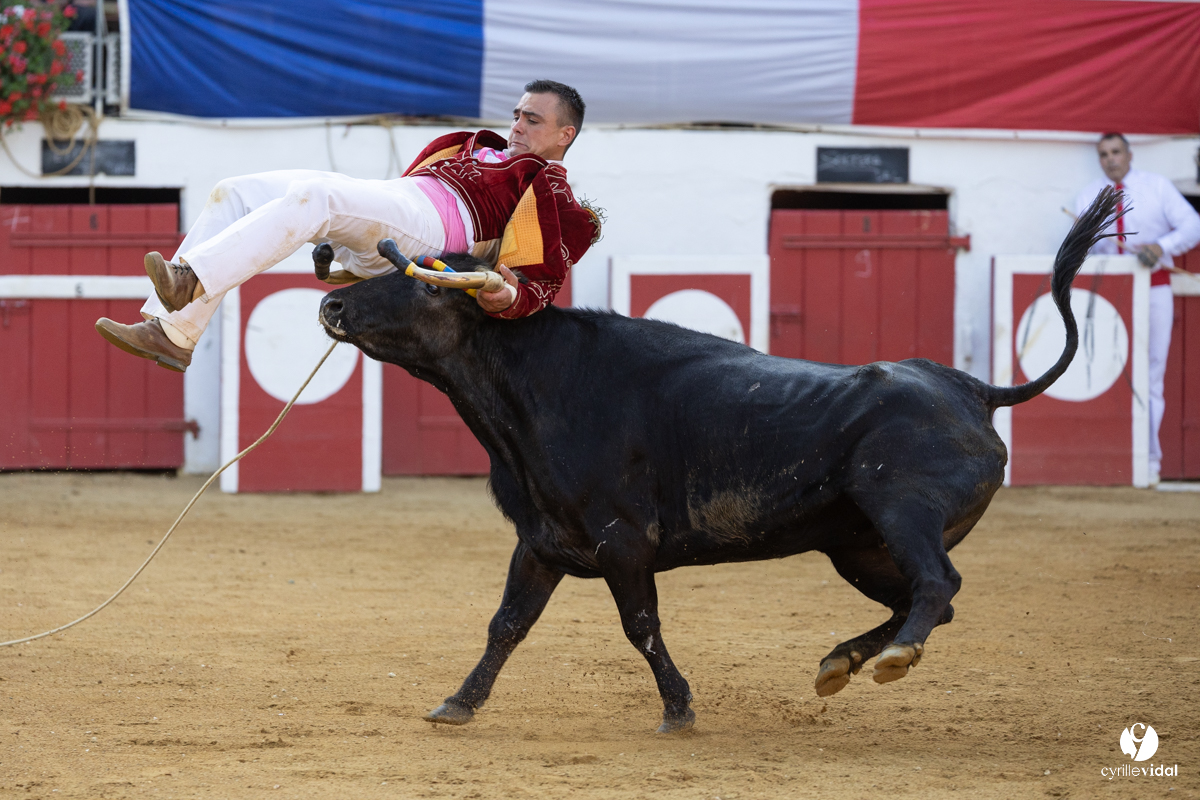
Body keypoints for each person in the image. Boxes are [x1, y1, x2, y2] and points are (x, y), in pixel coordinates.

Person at [95, 79, 601, 372]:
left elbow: (543, 277)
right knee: (235, 190)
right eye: (517, 114)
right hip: (397, 205)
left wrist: (512, 296)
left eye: (532, 120)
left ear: (566, 134)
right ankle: (174, 332)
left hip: (435, 228)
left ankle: (192, 278)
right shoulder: (483, 144)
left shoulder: (551, 187)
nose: (516, 126)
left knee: (315, 197)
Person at [1074, 132, 1200, 484]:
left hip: (1154, 287)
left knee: (1152, 373)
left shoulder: (1157, 187)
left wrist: (1161, 247)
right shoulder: (1088, 195)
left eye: (1116, 152)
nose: (1110, 159)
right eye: (1103, 154)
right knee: (1104, 368)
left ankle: (1150, 460)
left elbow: (1193, 224)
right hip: (1109, 292)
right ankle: (1112, 456)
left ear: (1129, 154)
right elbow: (1078, 247)